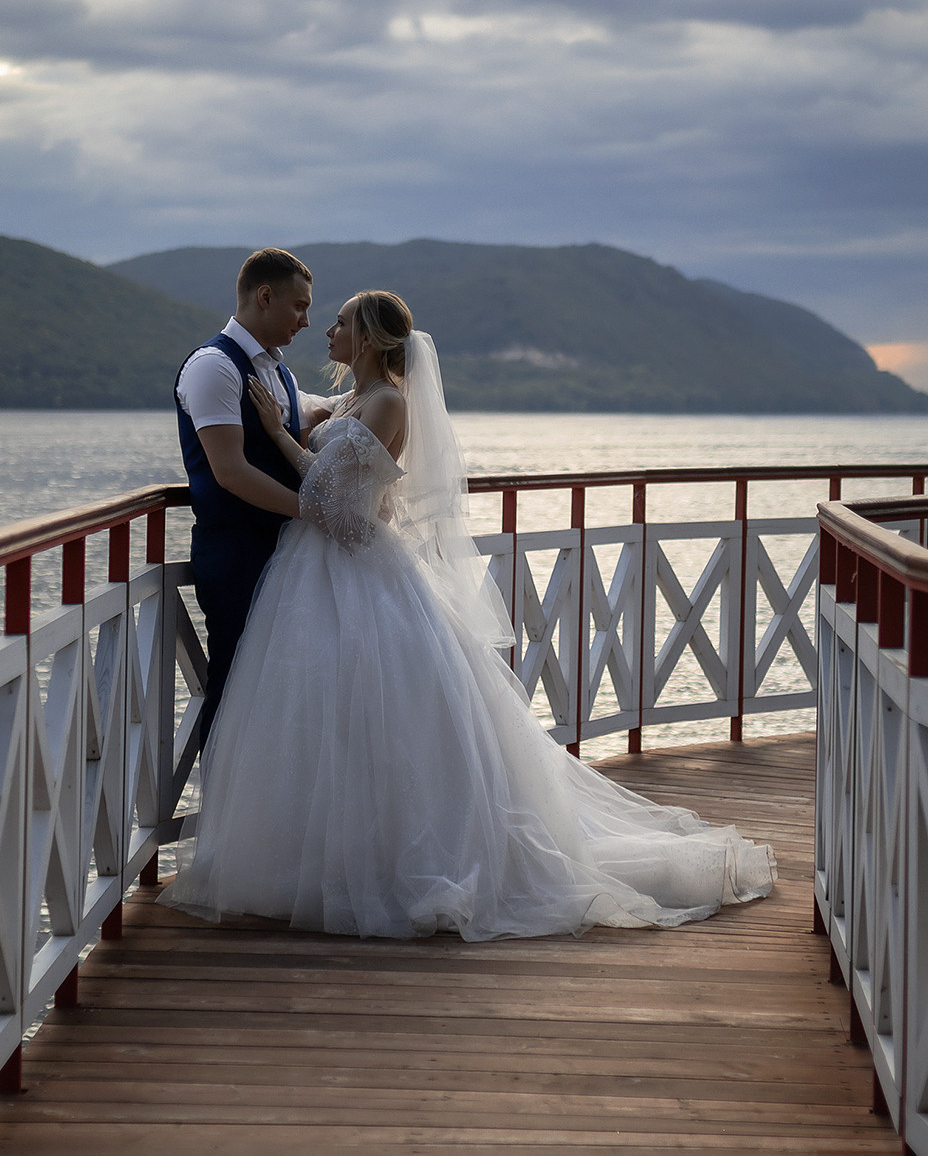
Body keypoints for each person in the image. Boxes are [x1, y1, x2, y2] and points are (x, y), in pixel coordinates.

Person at [166, 289, 777, 940]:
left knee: (386, 716)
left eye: (340, 321)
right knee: (324, 715)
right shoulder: (347, 400)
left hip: (358, 570)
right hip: (317, 573)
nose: (327, 329)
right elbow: (341, 471)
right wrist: (296, 424)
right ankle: (321, 853)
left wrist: (279, 436)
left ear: (367, 337)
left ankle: (399, 859)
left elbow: (339, 510)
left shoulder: (389, 402)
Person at [173, 249, 339, 722]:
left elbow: (306, 424)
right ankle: (221, 798)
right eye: (300, 305)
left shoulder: (281, 372)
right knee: (235, 688)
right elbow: (231, 471)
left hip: (288, 554)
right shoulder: (213, 366)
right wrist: (314, 512)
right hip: (237, 556)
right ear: (265, 296)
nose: (307, 320)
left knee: (283, 696)